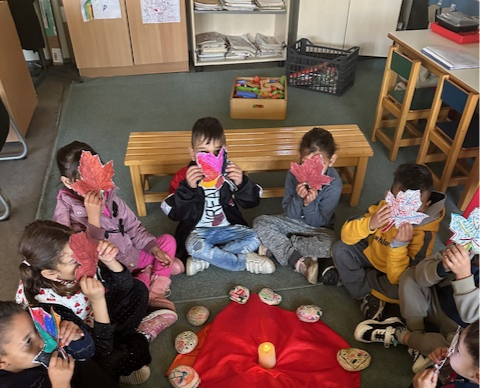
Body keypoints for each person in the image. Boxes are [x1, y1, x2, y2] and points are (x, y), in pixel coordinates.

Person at [16, 220, 177, 385]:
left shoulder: (77, 265)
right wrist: (98, 301)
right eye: (75, 261)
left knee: (138, 289)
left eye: (84, 251)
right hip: (89, 346)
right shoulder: (47, 307)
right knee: (110, 362)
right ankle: (141, 336)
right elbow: (100, 349)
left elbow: (126, 286)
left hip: (94, 317)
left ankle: (127, 344)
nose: (88, 260)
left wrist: (110, 261)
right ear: (51, 274)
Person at [0, 301, 171, 388]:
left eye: (37, 329)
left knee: (80, 364)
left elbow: (87, 353)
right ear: (2, 362)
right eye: (28, 341)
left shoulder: (35, 349)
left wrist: (75, 336)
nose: (43, 340)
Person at [54, 140, 183, 312]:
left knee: (168, 242)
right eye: (84, 180)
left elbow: (133, 227)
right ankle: (149, 278)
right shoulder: (65, 215)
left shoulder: (110, 196)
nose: (95, 186)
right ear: (68, 182)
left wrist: (154, 249)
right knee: (113, 295)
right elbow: (85, 257)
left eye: (97, 175)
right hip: (112, 271)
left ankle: (154, 291)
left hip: (133, 254)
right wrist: (93, 218)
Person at [161, 116, 275, 276]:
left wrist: (242, 183)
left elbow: (252, 202)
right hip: (198, 232)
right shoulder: (184, 176)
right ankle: (243, 261)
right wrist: (187, 188)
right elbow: (173, 213)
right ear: (193, 153)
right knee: (192, 245)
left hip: (230, 228)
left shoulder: (231, 172)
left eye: (217, 152)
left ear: (225, 151)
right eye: (204, 152)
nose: (212, 158)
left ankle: (206, 257)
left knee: (257, 236)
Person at [332, 163, 445, 321]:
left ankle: (354, 280)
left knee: (404, 290)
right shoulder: (382, 207)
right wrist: (370, 224)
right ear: (389, 197)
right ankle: (363, 292)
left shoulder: (424, 233)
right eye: (399, 203)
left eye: (414, 207)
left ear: (425, 206)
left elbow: (402, 278)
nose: (404, 213)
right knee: (340, 249)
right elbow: (346, 236)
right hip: (372, 254)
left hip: (394, 273)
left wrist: (399, 246)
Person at [354, 242, 480, 372]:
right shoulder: (465, 245)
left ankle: (404, 336)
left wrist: (464, 276)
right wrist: (442, 267)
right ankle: (416, 334)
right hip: (435, 302)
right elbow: (420, 275)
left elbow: (471, 317)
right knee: (410, 277)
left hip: (460, 330)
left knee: (461, 356)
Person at [253, 127, 342, 285]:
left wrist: (309, 205)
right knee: (260, 222)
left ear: (332, 160)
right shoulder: (294, 174)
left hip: (318, 228)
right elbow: (289, 213)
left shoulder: (334, 184)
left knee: (332, 245)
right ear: (300, 158)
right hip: (291, 222)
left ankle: (278, 246)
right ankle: (297, 259)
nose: (311, 171)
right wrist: (298, 198)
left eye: (319, 164)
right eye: (305, 163)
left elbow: (319, 222)